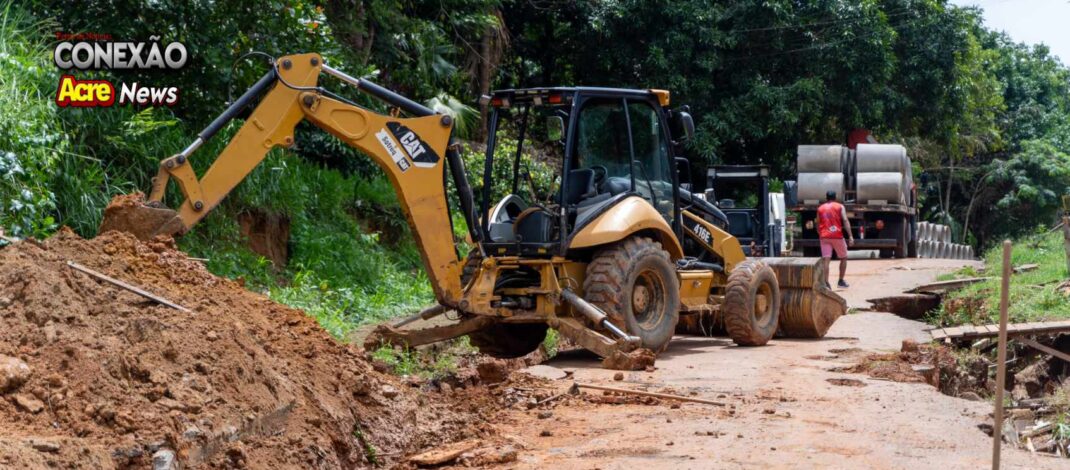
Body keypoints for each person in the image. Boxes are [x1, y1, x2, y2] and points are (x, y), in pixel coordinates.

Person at [817, 190, 854, 288]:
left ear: (826, 198)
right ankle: (841, 281)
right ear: (835, 197)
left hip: (824, 236)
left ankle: (826, 283)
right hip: (837, 236)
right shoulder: (840, 206)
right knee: (843, 257)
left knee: (826, 260)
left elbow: (818, 223)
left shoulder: (820, 208)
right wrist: (850, 236)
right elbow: (845, 220)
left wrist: (821, 234)